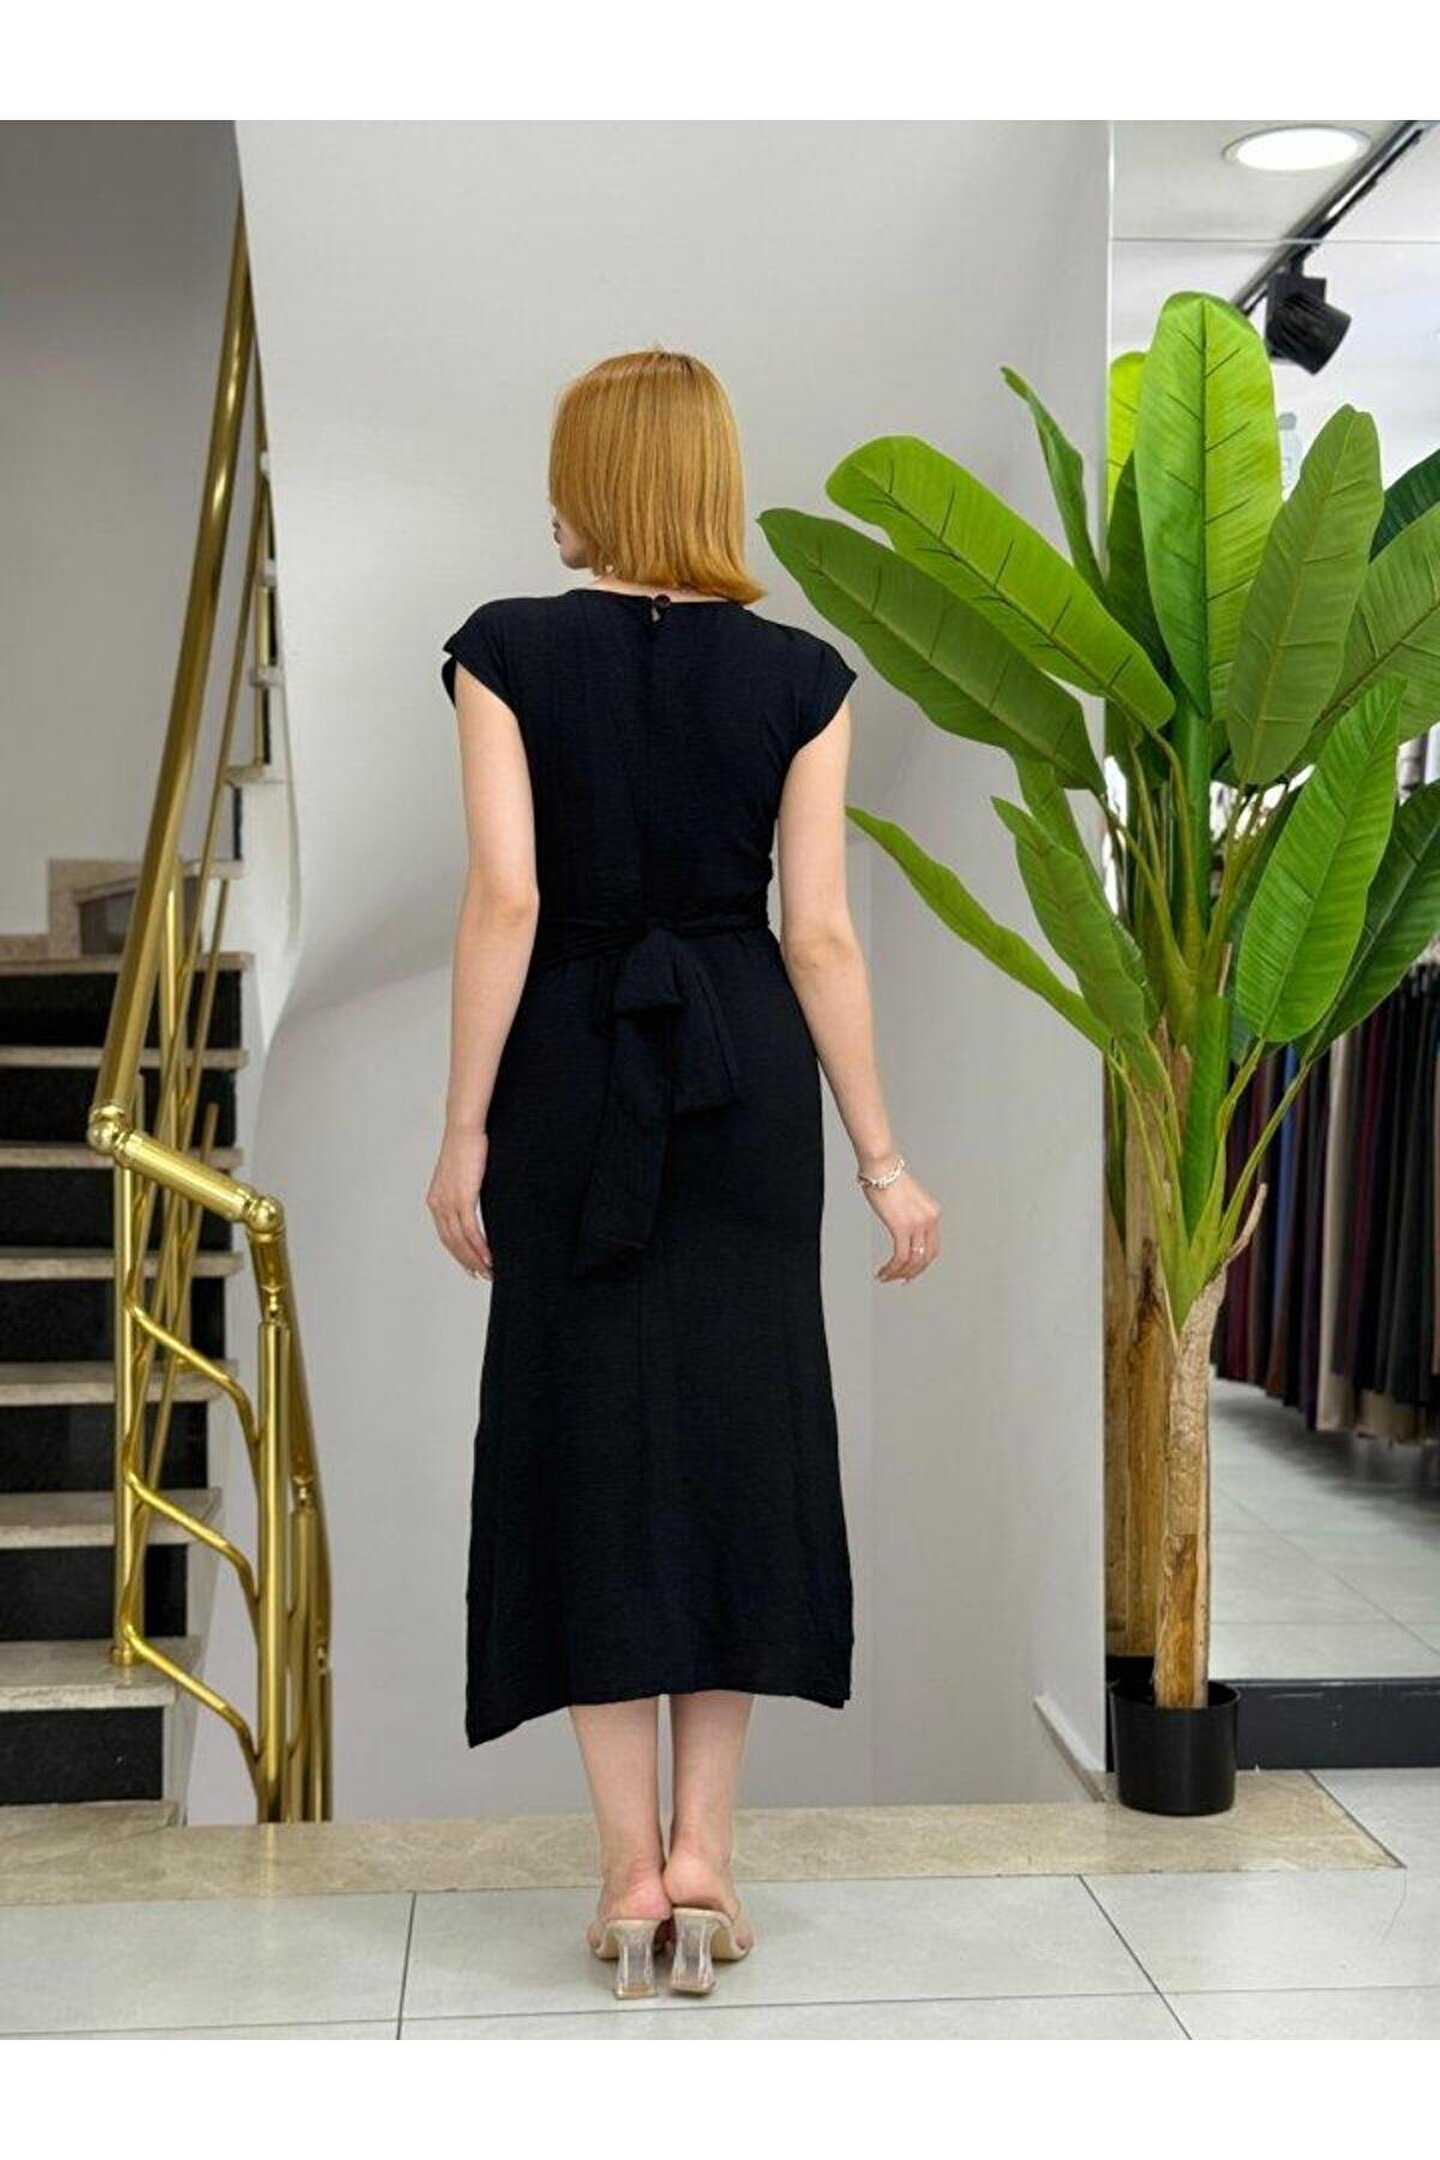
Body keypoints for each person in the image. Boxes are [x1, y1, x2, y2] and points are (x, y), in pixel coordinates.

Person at [429, 347, 940, 2000]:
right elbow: (820, 931)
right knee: (737, 1433)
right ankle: (708, 1856)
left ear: (595, 482)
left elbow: (507, 899)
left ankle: (627, 1869)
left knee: (581, 1435)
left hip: (573, 1066)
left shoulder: (505, 651)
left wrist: (465, 1127)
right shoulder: (803, 675)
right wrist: (882, 1159)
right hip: (742, 1072)